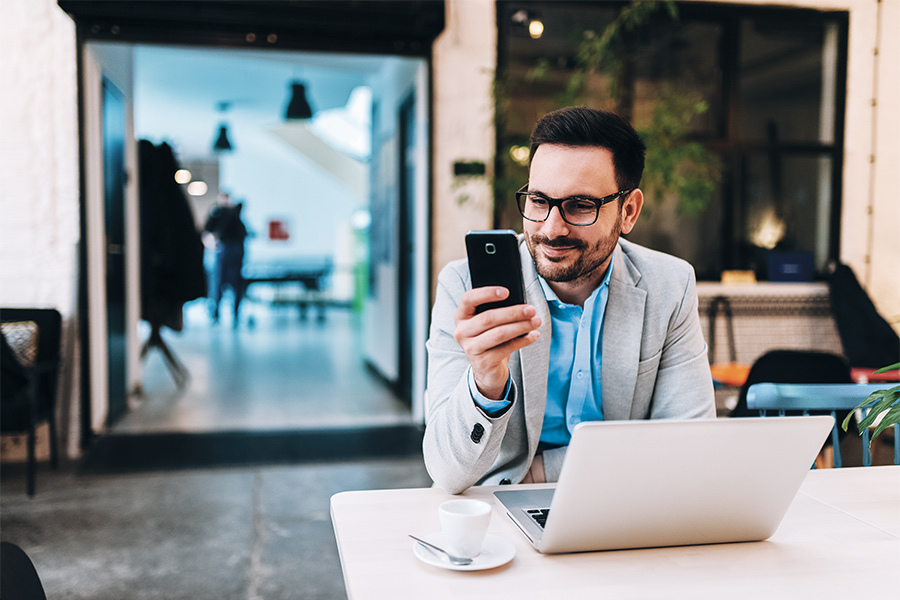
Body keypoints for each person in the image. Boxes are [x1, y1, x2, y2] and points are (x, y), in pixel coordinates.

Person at [423, 107, 715, 494]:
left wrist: (541, 471)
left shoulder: (670, 285)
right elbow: (446, 474)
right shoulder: (464, 286)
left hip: (623, 503)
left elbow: (686, 448)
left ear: (628, 211)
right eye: (539, 201)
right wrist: (485, 383)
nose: (551, 228)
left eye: (580, 206)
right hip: (496, 512)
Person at [203, 192, 248, 325]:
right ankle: (215, 312)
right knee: (218, 282)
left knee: (236, 283)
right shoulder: (217, 213)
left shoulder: (235, 213)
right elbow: (208, 230)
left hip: (236, 250)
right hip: (224, 250)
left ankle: (235, 312)